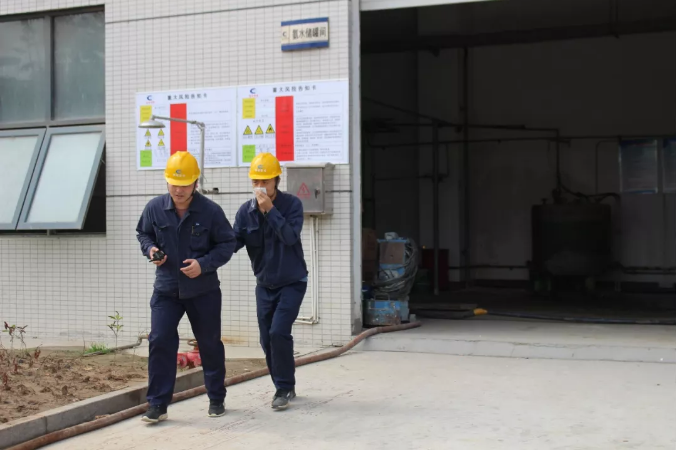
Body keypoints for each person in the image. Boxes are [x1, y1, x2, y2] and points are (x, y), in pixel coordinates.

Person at [136, 151, 236, 423]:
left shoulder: (211, 211)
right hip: (166, 289)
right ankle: (157, 404)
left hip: (203, 290)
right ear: (167, 181)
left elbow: (227, 243)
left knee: (209, 343)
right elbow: (143, 233)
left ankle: (216, 398)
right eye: (173, 184)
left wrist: (203, 264)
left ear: (195, 183)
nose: (178, 190)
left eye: (184, 184)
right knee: (160, 341)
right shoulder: (155, 207)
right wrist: (151, 249)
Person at [233, 153, 308, 410]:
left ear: (277, 179)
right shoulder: (245, 212)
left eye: (265, 181)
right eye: (256, 181)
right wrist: (205, 258)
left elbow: (290, 237)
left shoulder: (292, 205)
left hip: (292, 281)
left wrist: (271, 211)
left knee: (278, 332)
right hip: (264, 285)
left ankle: (283, 388)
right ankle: (284, 384)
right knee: (266, 339)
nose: (260, 186)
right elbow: (232, 242)